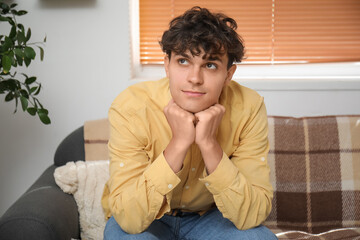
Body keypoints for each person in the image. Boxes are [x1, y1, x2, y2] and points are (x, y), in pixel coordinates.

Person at [102, 6, 277, 240]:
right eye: (183, 61)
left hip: (211, 218)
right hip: (150, 218)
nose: (195, 78)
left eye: (210, 65)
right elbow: (130, 219)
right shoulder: (131, 107)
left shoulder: (249, 107)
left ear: (228, 74)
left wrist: (208, 144)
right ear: (167, 65)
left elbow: (252, 215)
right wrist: (179, 143)